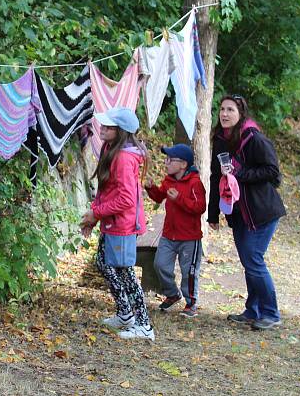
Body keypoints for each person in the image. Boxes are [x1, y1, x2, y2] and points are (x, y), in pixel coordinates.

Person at [208, 94, 287, 331]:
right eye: (222, 109)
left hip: (262, 211)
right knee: (248, 262)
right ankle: (253, 311)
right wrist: (213, 214)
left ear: (241, 113)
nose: (224, 114)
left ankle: (271, 313)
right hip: (238, 212)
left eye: (230, 110)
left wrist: (240, 174)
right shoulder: (221, 139)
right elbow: (215, 177)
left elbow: (273, 172)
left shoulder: (254, 139)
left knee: (253, 260)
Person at [80, 106, 154, 341]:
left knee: (124, 272)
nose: (103, 128)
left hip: (122, 224)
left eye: (110, 126)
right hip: (111, 222)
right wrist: (95, 214)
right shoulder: (110, 149)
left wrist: (97, 214)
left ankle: (144, 325)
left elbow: (126, 199)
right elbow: (106, 189)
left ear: (120, 131)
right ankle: (125, 313)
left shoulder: (123, 157)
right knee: (103, 262)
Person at [145, 143, 206, 318]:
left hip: (189, 238)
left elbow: (200, 207)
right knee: (160, 265)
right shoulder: (169, 180)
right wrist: (151, 188)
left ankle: (191, 302)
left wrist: (179, 199)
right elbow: (158, 196)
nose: (166, 163)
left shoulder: (194, 183)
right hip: (169, 235)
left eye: (171, 160)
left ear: (183, 164)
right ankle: (172, 293)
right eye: (166, 159)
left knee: (189, 271)